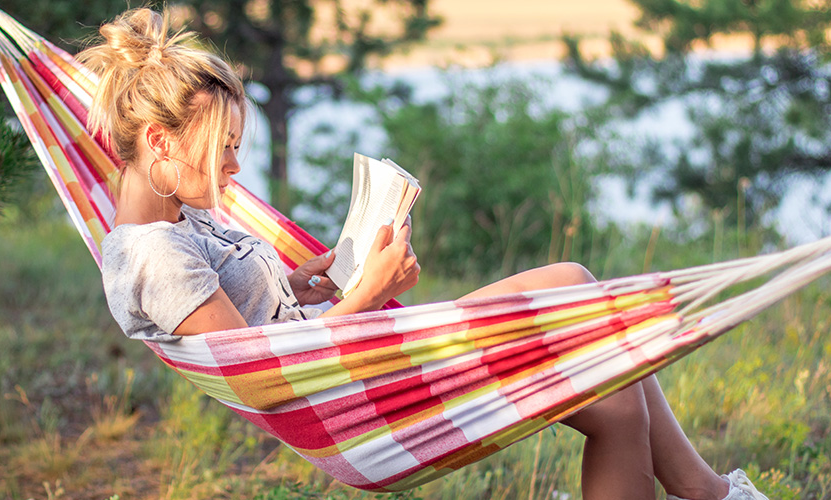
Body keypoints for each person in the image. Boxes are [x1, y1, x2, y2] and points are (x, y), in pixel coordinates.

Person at [81, 8, 768, 500]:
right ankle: (704, 492)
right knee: (609, 385)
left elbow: (248, 318)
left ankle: (701, 490)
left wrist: (305, 280)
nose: (234, 164)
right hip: (353, 398)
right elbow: (267, 375)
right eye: (221, 146)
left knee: (583, 302)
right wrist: (369, 293)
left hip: (357, 358)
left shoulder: (182, 215)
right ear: (161, 142)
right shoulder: (155, 258)